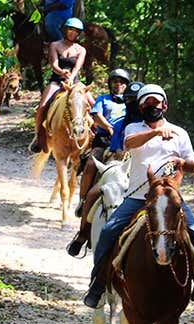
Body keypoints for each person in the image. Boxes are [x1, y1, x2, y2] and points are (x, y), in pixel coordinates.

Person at [81, 84, 194, 311]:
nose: (152, 107)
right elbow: (129, 144)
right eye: (146, 103)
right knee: (109, 231)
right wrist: (155, 133)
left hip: (170, 197)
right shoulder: (133, 128)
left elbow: (193, 165)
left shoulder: (180, 132)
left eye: (156, 103)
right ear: (140, 107)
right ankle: (98, 284)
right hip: (137, 196)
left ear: (164, 105)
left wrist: (181, 163)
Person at [66, 69, 131, 257]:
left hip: (126, 147)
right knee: (91, 165)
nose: (118, 85)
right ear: (110, 84)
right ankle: (83, 210)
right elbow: (96, 116)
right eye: (115, 82)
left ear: (126, 84)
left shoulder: (131, 103)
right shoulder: (103, 99)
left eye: (122, 82)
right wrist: (109, 128)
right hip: (104, 141)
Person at [30, 17, 87, 153]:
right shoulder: (55, 45)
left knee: (91, 103)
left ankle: (94, 135)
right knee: (42, 107)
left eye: (76, 31)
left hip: (75, 81)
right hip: (57, 80)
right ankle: (38, 136)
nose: (73, 33)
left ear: (79, 33)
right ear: (65, 30)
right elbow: (54, 65)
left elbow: (77, 67)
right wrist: (63, 72)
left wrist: (71, 78)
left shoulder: (81, 49)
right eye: (70, 30)